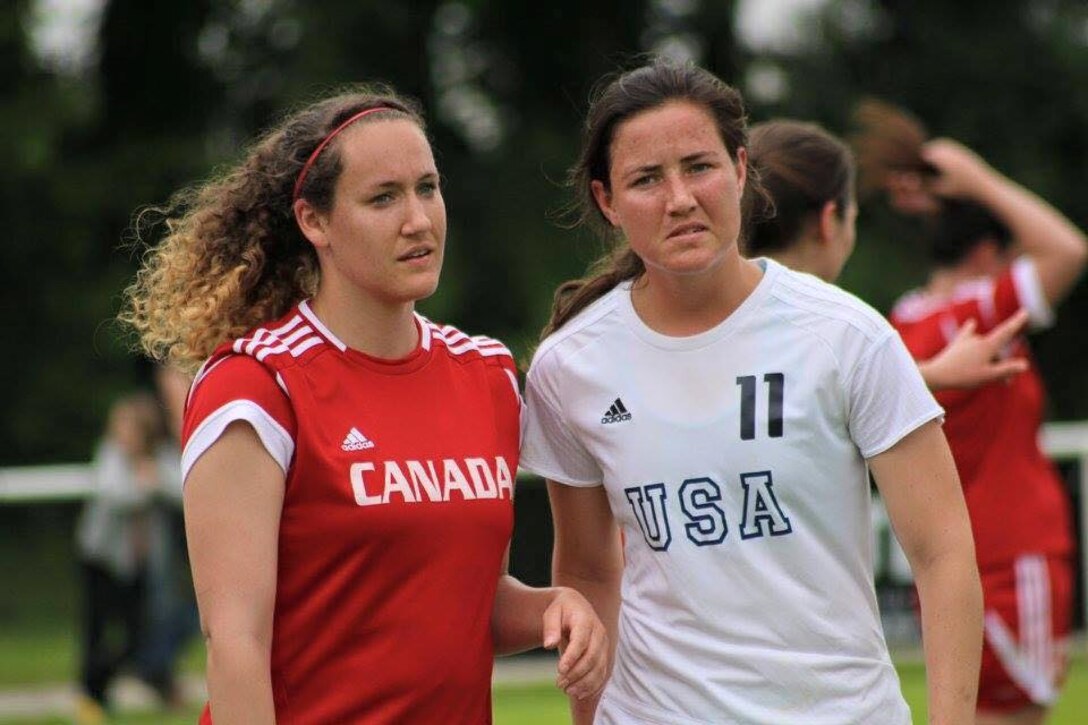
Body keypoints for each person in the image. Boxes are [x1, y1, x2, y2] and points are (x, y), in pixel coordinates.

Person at [120, 84, 608, 723]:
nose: (418, 220)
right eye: (383, 198)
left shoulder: (486, 374)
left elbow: (467, 605)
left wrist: (555, 609)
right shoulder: (257, 384)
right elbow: (235, 644)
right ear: (313, 221)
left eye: (428, 188)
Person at [520, 59, 982, 724]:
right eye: (646, 179)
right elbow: (591, 574)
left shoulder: (847, 335)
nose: (679, 198)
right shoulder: (570, 366)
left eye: (699, 166)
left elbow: (943, 553)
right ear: (607, 201)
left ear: (740, 170)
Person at [852, 99, 1087, 725]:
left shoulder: (897, 327)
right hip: (1016, 553)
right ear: (987, 253)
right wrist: (978, 180)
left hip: (951, 561)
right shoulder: (983, 313)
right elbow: (1068, 248)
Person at [746, 118, 1031, 392]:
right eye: (853, 216)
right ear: (829, 221)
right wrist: (976, 177)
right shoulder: (851, 329)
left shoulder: (713, 318)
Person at [75, 391, 178, 722]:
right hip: (101, 558)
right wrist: (146, 486)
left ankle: (117, 682)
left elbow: (182, 488)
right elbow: (115, 494)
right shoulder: (111, 455)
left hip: (137, 564)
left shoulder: (160, 456)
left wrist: (156, 479)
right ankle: (92, 698)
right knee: (95, 630)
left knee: (137, 636)